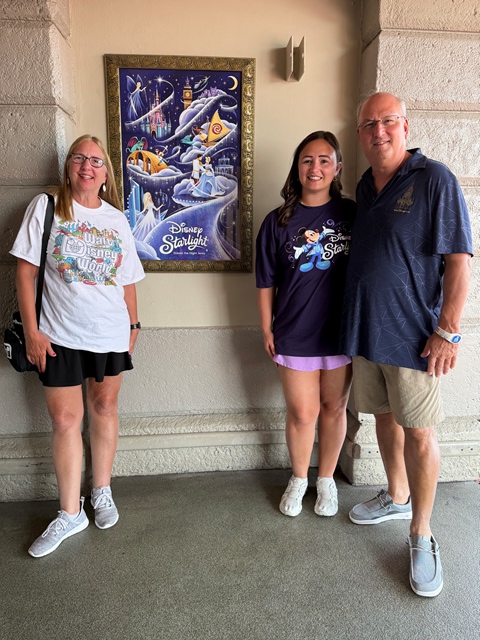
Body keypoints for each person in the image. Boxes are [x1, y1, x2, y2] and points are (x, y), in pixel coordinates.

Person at [342, 92, 472, 597]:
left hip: (416, 336)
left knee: (419, 432)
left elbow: (459, 261)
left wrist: (448, 330)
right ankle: (397, 496)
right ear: (360, 134)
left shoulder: (434, 179)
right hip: (368, 331)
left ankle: (421, 532)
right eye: (369, 124)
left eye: (388, 121)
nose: (379, 131)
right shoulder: (364, 185)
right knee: (383, 416)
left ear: (405, 126)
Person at [11, 134, 145, 557]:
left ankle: (101, 491)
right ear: (68, 167)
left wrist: (134, 325)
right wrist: (32, 331)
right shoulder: (46, 206)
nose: (87, 166)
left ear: (106, 174)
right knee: (66, 419)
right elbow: (25, 273)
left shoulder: (116, 219)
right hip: (59, 334)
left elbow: (127, 280)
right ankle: (71, 513)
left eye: (96, 161)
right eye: (79, 158)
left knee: (104, 407)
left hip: (109, 332)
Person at [256, 131, 355, 518]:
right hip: (294, 331)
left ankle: (326, 479)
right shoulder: (277, 221)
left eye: (324, 160)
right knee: (302, 413)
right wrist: (267, 328)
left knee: (334, 407)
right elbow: (266, 281)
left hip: (341, 332)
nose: (315, 168)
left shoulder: (353, 214)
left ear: (337, 168)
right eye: (307, 160)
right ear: (297, 168)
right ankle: (299, 478)